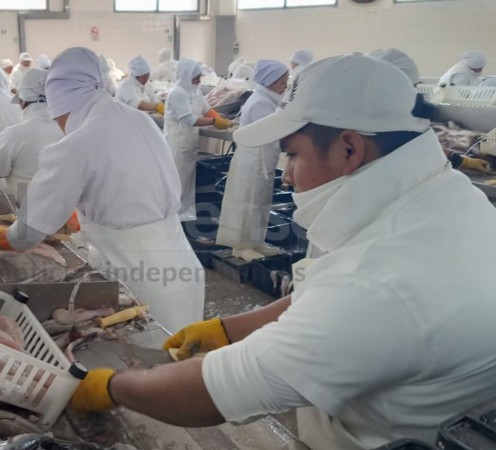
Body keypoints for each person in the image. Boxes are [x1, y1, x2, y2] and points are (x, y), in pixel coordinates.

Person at [67, 54, 496, 449]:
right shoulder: (442, 196)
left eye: (291, 155)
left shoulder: (383, 280)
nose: (287, 176)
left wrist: (109, 388)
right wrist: (230, 328)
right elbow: (327, 287)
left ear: (350, 148)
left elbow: (213, 393)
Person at [0, 47, 205, 332]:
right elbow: (123, 186)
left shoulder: (76, 144)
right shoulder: (138, 119)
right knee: (185, 362)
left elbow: (26, 236)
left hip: (141, 284)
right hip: (183, 271)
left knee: (153, 362)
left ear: (59, 101)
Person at [369, 48, 491, 173]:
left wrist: (460, 160)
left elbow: (417, 139)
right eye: (409, 88)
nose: (413, 96)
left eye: (414, 87)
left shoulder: (393, 115)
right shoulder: (367, 124)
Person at [216, 60, 289, 261]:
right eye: (282, 82)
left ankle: (256, 241)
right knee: (246, 202)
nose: (285, 86)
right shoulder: (260, 103)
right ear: (271, 82)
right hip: (253, 160)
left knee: (260, 202)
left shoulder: (270, 100)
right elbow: (269, 133)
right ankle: (241, 245)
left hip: (263, 160)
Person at [0, 69, 63, 204]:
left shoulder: (14, 134)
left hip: (31, 211)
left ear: (23, 102)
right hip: (70, 212)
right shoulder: (68, 129)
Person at [164, 58, 231, 221]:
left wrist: (218, 117)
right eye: (196, 76)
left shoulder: (195, 90)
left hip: (189, 143)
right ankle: (172, 218)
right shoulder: (178, 92)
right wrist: (214, 122)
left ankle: (185, 215)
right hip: (177, 143)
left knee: (187, 183)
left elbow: (206, 109)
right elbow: (188, 119)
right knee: (178, 183)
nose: (199, 80)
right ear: (187, 75)